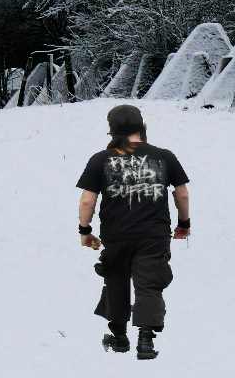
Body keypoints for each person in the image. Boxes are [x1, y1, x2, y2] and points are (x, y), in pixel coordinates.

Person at [76, 104, 191, 360]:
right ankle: (146, 339)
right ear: (142, 127)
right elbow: (181, 193)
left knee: (116, 280)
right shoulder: (164, 156)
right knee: (150, 283)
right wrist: (184, 224)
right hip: (153, 234)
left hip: (116, 234)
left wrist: (85, 230)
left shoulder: (100, 160)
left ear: (112, 131)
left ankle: (118, 337)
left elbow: (87, 201)